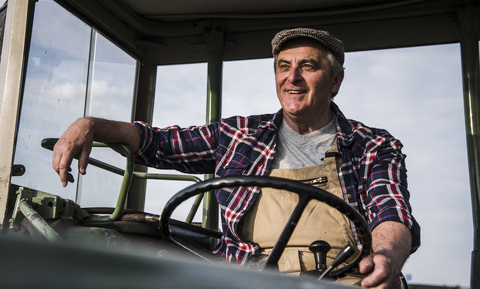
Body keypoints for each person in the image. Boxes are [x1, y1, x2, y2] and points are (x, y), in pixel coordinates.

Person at [52, 28, 420, 288]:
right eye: (283, 66)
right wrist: (92, 124)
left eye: (308, 66)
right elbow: (159, 142)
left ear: (335, 81)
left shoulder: (372, 145)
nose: (292, 78)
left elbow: (390, 211)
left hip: (344, 279)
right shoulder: (238, 135)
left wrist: (386, 258)